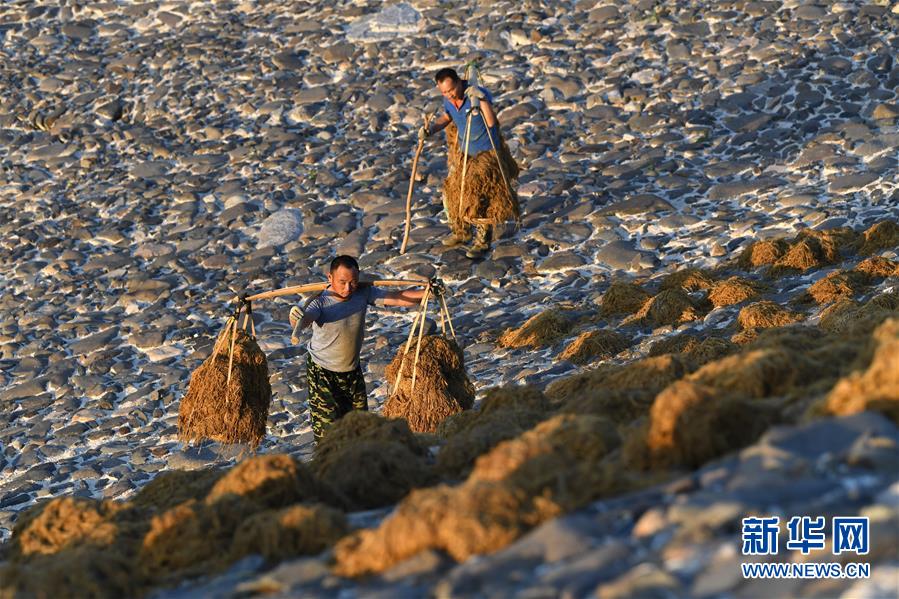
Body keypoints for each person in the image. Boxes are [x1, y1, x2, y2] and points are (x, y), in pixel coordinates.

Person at [288, 255, 427, 442]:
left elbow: (398, 298)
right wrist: (295, 316)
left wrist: (427, 293)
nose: (347, 288)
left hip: (351, 371)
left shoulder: (363, 293)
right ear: (330, 278)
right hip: (323, 373)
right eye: (342, 282)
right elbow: (302, 321)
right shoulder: (319, 302)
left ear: (358, 277)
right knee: (328, 435)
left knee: (361, 429)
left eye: (353, 282)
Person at [419, 67, 521, 259]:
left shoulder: (476, 96)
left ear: (459, 82)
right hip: (465, 153)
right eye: (444, 92)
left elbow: (491, 123)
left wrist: (481, 99)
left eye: (451, 90)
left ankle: (482, 241)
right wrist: (430, 130)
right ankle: (462, 232)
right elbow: (448, 117)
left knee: (479, 196)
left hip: (486, 154)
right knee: (453, 192)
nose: (449, 94)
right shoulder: (448, 100)